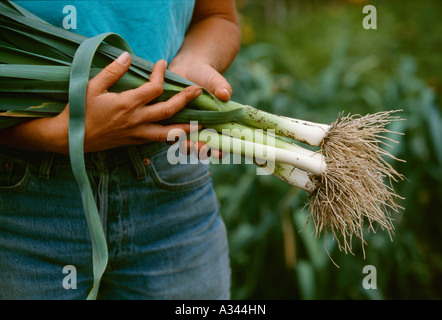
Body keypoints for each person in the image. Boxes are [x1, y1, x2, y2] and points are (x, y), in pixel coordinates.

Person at [0, 0, 241, 299]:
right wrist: (54, 134)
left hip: (171, 188)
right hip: (21, 206)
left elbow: (216, 16)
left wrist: (192, 63)